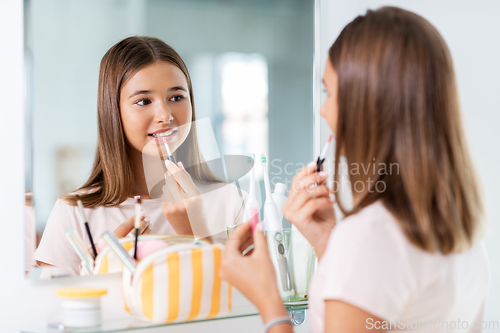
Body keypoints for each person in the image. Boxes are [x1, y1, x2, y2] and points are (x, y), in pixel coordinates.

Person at [220, 7, 489, 333]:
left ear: (365, 104)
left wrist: (269, 303)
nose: (322, 109)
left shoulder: (369, 238)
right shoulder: (460, 231)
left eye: (329, 92)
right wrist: (329, 243)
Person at [34, 36, 246, 275]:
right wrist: (100, 272)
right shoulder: (74, 212)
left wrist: (195, 233)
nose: (165, 115)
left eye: (176, 97)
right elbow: (51, 309)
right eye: (143, 101)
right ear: (113, 112)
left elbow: (251, 303)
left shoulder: (232, 202)